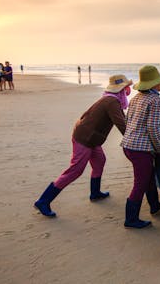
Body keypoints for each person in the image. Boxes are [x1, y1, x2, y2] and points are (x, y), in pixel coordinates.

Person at [34, 75, 133, 217]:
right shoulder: (112, 101)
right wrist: (133, 139)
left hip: (91, 138)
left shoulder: (110, 99)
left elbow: (121, 119)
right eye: (125, 88)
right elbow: (121, 124)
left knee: (100, 161)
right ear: (122, 90)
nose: (127, 91)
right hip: (84, 138)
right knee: (75, 170)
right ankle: (43, 200)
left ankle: (95, 193)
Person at [121, 65, 160, 229]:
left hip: (128, 145)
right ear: (153, 84)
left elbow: (127, 121)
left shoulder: (136, 98)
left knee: (149, 175)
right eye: (159, 82)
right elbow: (153, 129)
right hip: (140, 149)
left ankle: (154, 205)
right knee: (140, 183)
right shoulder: (155, 100)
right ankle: (131, 219)